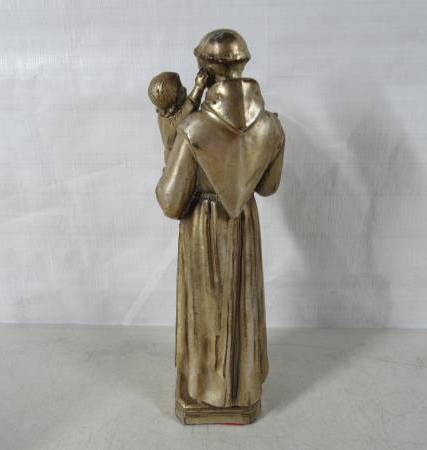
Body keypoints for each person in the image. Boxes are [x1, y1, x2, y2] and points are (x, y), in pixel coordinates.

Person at [155, 29, 285, 424]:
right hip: (243, 225)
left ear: (205, 69)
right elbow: (268, 187)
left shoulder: (194, 129)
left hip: (204, 228)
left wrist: (168, 166)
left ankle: (207, 390)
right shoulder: (271, 125)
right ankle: (240, 389)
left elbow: (171, 202)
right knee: (239, 306)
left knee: (209, 309)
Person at [147, 69, 208, 163]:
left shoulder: (164, 114)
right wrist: (198, 87)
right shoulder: (173, 123)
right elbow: (190, 106)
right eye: (181, 90)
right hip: (178, 161)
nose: (185, 89)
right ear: (173, 104)